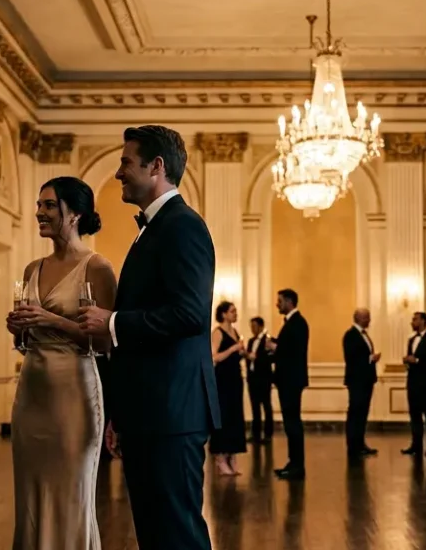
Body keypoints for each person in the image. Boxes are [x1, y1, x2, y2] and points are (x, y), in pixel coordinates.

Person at [77, 126, 219, 550]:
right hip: (152, 411)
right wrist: (121, 413)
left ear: (156, 166)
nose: (119, 172)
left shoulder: (182, 227)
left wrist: (112, 323)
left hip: (172, 412)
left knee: (176, 534)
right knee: (157, 534)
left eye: (125, 162)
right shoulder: (154, 229)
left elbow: (189, 314)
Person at [7, 177, 116, 549]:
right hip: (31, 394)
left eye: (50, 205)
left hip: (74, 393)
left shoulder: (98, 268)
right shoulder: (30, 269)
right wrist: (18, 329)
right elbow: (24, 342)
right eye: (40, 204)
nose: (40, 211)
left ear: (76, 214)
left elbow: (105, 341)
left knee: (71, 492)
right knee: (30, 493)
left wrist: (53, 320)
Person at [267, 289, 309, 479]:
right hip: (289, 380)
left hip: (291, 381)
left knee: (292, 424)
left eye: (280, 301)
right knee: (290, 423)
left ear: (290, 302)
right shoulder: (293, 323)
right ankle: (293, 463)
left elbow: (294, 351)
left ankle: (297, 466)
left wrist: (275, 347)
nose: (277, 304)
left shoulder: (298, 323)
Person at [210, 301, 248, 475]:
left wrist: (241, 353)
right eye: (232, 311)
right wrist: (233, 349)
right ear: (223, 314)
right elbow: (214, 357)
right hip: (222, 381)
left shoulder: (234, 331)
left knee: (235, 416)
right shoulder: (217, 332)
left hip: (234, 379)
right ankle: (220, 457)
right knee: (224, 416)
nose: (235, 314)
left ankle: (232, 455)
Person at [343, 308, 380, 458]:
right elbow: (351, 357)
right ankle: (353, 445)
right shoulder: (350, 335)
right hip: (357, 381)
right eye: (366, 318)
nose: (369, 320)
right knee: (355, 412)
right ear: (358, 318)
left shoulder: (364, 335)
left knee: (362, 413)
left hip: (366, 380)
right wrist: (371, 359)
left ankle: (360, 443)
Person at [402, 312, 426, 457]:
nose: (412, 322)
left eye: (415, 319)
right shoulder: (411, 340)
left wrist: (416, 361)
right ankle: (415, 445)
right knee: (414, 415)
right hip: (412, 382)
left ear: (423, 321)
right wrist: (407, 362)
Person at [245, 316, 275, 443]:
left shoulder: (268, 340)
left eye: (255, 326)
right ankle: (255, 433)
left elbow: (269, 359)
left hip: (264, 378)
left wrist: (255, 357)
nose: (252, 329)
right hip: (252, 378)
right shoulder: (251, 341)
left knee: (266, 406)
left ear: (261, 326)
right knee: (255, 407)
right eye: (251, 326)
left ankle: (268, 433)